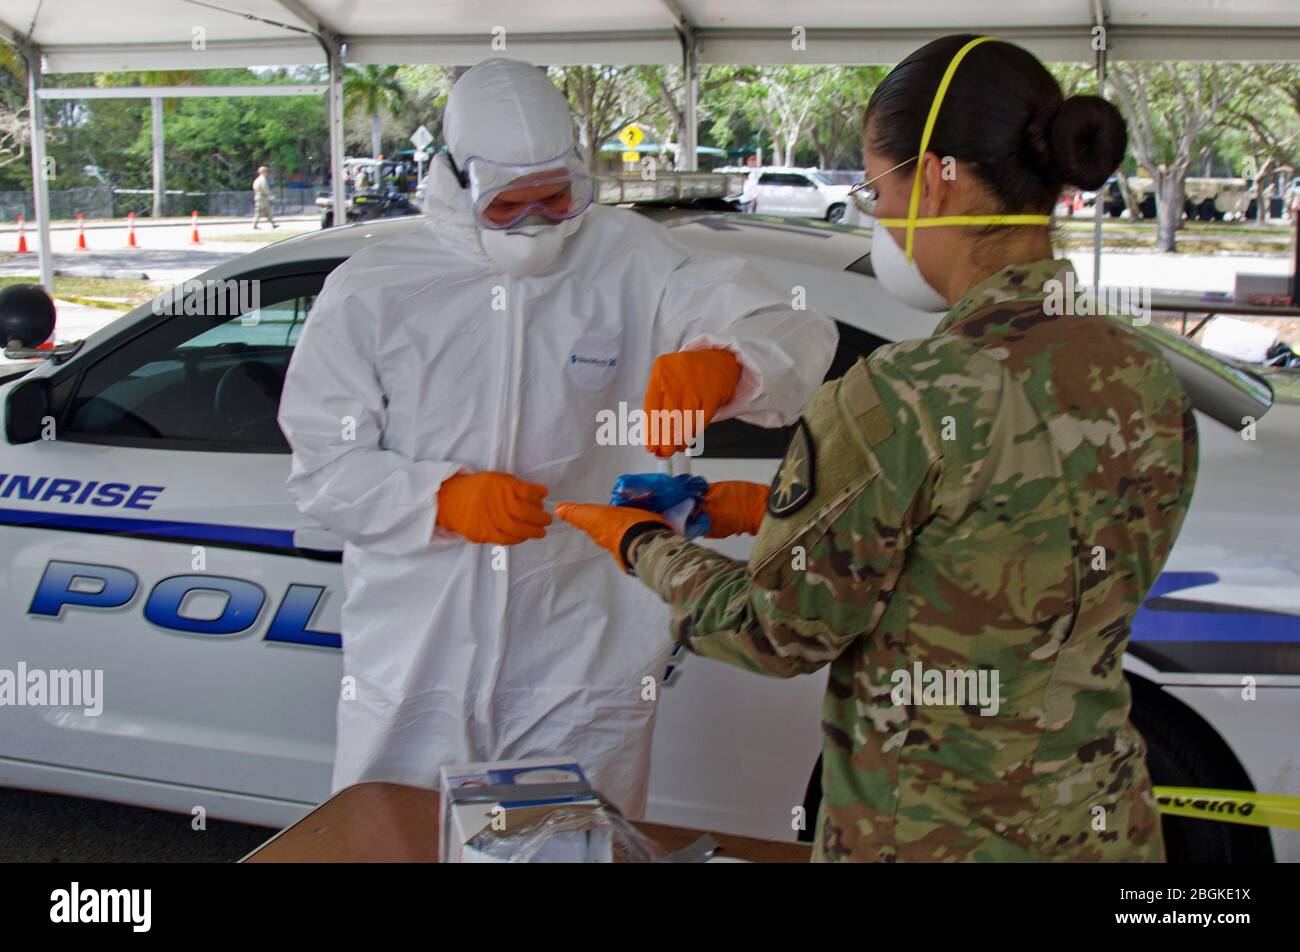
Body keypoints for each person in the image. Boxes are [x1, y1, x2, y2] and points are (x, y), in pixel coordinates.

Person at [557, 34, 1198, 861]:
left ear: (938, 176)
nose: (881, 215)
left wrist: (643, 547)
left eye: (877, 186)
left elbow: (777, 634)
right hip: (1106, 824)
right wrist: (772, 515)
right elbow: (998, 559)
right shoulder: (1144, 375)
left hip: (930, 835)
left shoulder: (905, 392)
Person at [277, 57, 837, 816]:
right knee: (395, 839)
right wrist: (438, 499)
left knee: (573, 843)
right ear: (456, 180)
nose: (539, 221)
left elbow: (794, 328)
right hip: (417, 658)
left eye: (557, 196)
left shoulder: (630, 259)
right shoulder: (376, 289)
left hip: (583, 653)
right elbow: (322, 467)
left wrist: (731, 366)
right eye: (509, 204)